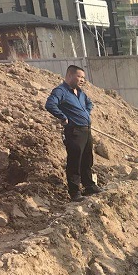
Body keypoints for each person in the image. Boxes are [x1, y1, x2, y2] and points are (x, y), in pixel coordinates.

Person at [45, 65, 102, 202]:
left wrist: (85, 113)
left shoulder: (80, 93)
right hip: (74, 131)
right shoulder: (61, 91)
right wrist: (63, 116)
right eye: (79, 77)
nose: (82, 80)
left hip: (86, 130)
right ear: (69, 75)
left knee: (87, 159)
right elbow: (50, 104)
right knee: (75, 161)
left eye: (83, 77)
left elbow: (89, 104)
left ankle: (89, 186)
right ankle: (75, 192)